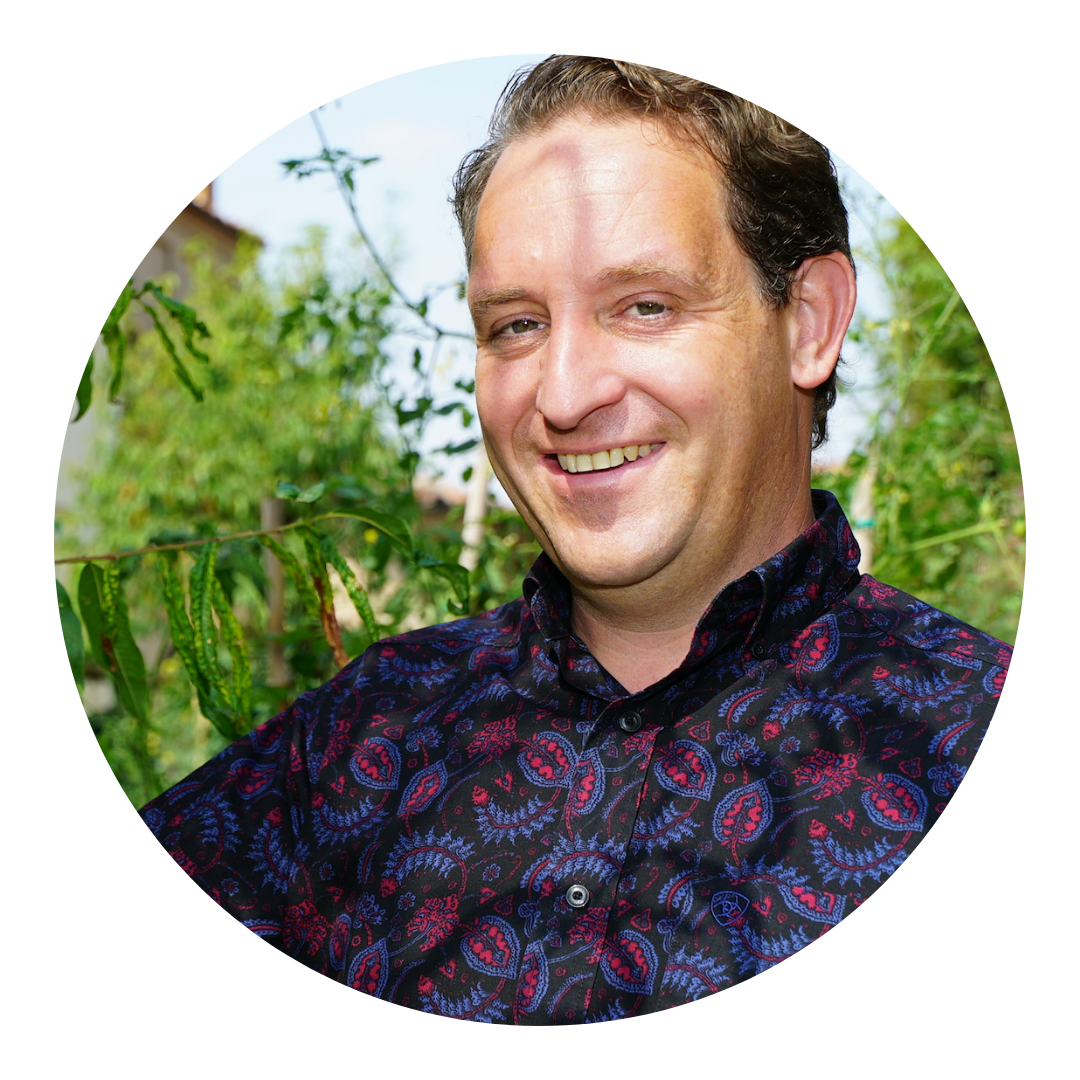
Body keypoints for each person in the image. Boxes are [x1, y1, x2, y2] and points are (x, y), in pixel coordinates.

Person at [139, 55, 1010, 1024]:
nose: (562, 395)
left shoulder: (986, 754)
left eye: (645, 306)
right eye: (515, 325)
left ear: (808, 322)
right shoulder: (357, 743)